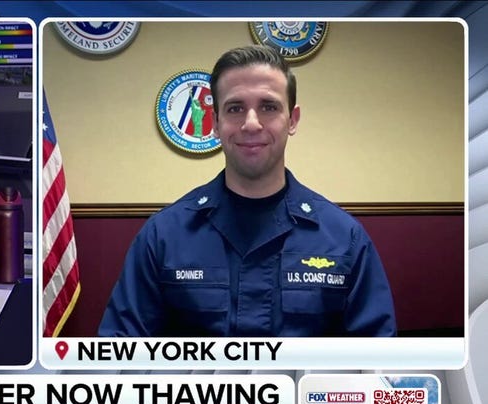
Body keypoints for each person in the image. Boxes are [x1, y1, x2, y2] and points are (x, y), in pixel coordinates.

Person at [99, 45, 396, 337]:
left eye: (268, 107)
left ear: (292, 120)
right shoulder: (163, 236)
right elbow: (117, 356)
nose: (251, 123)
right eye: (235, 108)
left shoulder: (344, 238)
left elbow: (377, 362)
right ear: (215, 122)